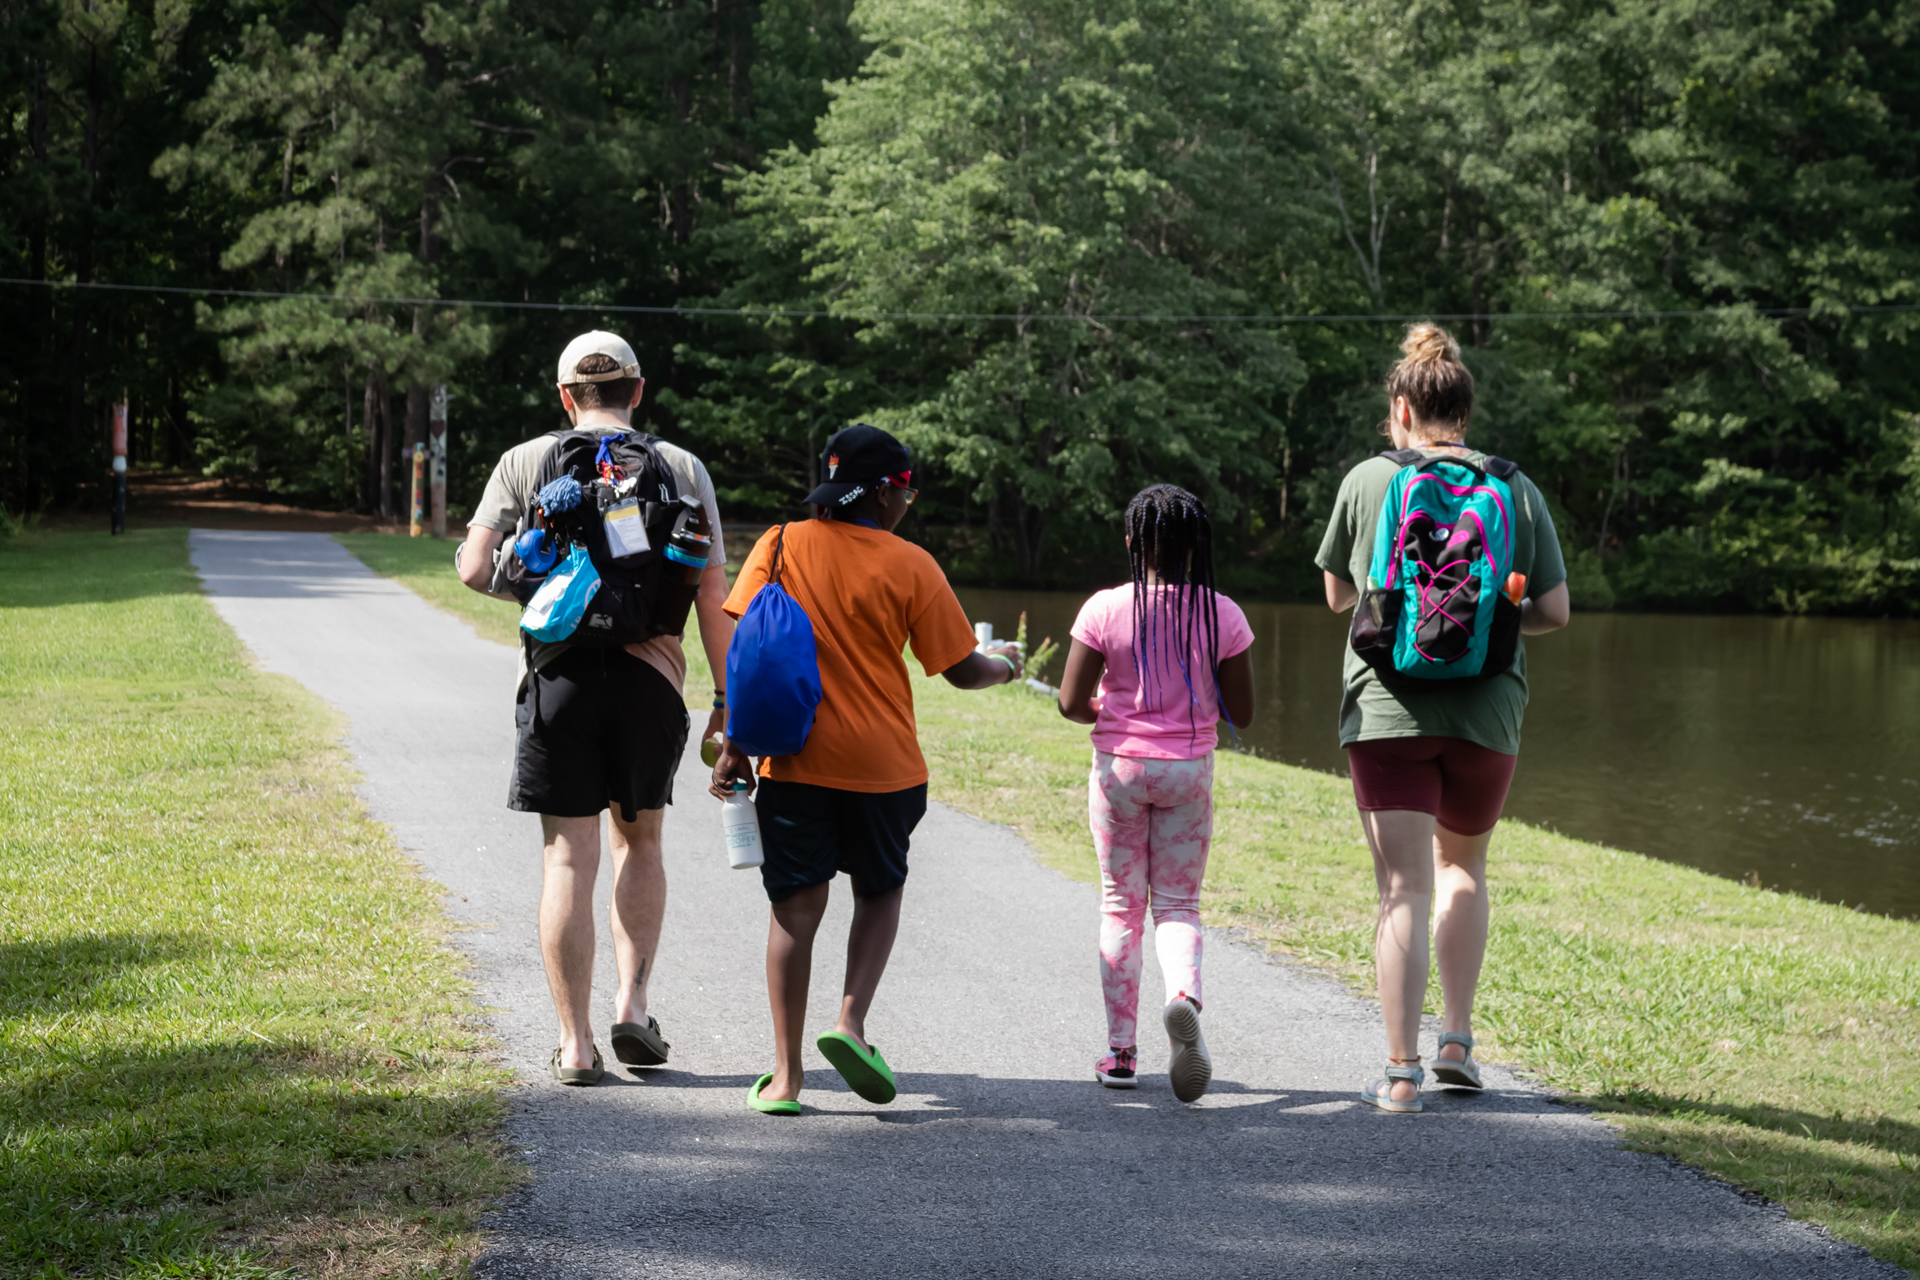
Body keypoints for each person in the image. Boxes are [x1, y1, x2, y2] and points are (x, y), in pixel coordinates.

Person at [709, 423, 1024, 1115]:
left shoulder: (781, 542)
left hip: (792, 759)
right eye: (907, 489)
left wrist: (732, 741)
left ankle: (787, 1079)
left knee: (794, 910)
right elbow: (961, 669)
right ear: (884, 491)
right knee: (879, 890)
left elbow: (744, 648)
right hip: (886, 768)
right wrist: (1008, 666)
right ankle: (850, 1024)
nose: (909, 503)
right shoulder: (910, 563)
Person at [456, 331, 734, 1086]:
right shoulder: (681, 467)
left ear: (565, 397)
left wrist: (528, 576)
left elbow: (476, 567)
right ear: (637, 391)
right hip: (652, 682)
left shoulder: (523, 461)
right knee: (638, 844)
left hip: (559, 681)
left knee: (566, 855)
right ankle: (632, 1008)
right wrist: (724, 702)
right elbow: (714, 597)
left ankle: (575, 1045)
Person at [1314, 323, 1570, 1113]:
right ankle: (1457, 1041)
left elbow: (1337, 599)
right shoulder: (1514, 488)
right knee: (1463, 869)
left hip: (1389, 709)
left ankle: (1399, 1074)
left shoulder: (1366, 479)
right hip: (1486, 712)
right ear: (1465, 411)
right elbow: (1554, 612)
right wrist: (1489, 614)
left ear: (1401, 408)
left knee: (1401, 890)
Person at [1056, 485, 1256, 1102]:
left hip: (1119, 769)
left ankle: (1121, 1055)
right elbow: (1242, 713)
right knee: (1177, 906)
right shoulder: (1221, 613)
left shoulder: (1103, 609)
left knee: (1121, 905)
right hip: (1187, 771)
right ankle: (1182, 998)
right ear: (1197, 548)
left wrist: (1109, 707)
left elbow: (1070, 704)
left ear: (1130, 542)